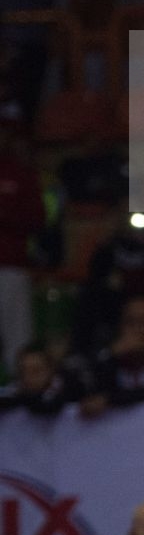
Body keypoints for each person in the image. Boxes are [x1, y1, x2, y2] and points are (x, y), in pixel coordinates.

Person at [74, 211, 144, 356]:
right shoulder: (109, 248)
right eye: (132, 322)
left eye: (143, 322)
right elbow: (95, 279)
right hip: (115, 310)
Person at [70, 294, 144, 415]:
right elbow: (90, 394)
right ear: (121, 326)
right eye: (131, 322)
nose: (139, 330)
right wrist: (112, 357)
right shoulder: (110, 353)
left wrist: (110, 400)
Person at [0, 113, 43, 373]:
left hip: (10, 266)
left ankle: (22, 394)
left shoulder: (19, 173)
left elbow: (36, 218)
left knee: (17, 338)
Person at [0, 342, 67, 416]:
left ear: (51, 370)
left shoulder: (68, 389)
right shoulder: (15, 389)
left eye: (36, 371)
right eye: (23, 371)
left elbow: (47, 406)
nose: (28, 377)